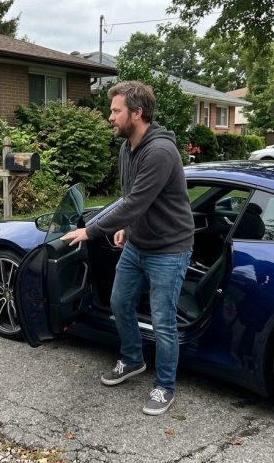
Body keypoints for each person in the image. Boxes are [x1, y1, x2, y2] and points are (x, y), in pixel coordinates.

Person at [60, 81, 194, 415]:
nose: (110, 117)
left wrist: (90, 231)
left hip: (169, 249)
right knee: (119, 303)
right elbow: (129, 198)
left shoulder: (160, 152)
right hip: (138, 244)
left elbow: (135, 202)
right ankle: (133, 359)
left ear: (137, 113)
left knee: (163, 321)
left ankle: (165, 387)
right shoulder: (127, 148)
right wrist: (124, 226)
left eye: (116, 111)